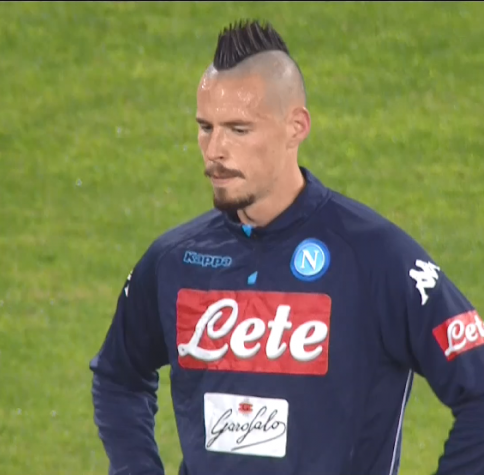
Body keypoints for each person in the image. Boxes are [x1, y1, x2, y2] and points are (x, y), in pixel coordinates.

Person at [89, 19, 484, 475]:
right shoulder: (174, 261)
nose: (215, 150)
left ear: (296, 127)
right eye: (205, 127)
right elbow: (118, 376)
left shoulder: (378, 260)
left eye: (238, 129)